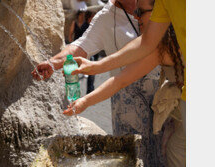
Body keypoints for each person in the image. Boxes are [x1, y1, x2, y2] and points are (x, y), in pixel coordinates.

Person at [32, 0, 165, 166]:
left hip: (164, 98)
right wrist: (53, 63)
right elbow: (80, 46)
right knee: (134, 156)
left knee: (166, 155)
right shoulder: (107, 16)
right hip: (126, 102)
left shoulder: (161, 5)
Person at [63, 0, 186, 166]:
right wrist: (86, 97)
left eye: (140, 11)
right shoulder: (162, 48)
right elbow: (121, 79)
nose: (135, 16)